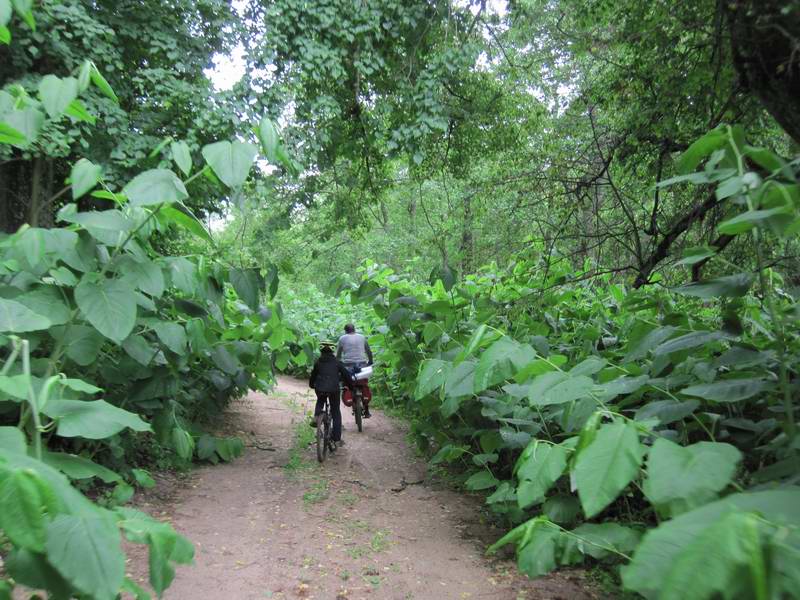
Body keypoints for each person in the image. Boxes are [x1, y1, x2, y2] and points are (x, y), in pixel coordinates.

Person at [309, 341, 353, 446]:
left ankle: (316, 416)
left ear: (321, 351)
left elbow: (313, 376)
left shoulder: (318, 362)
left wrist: (311, 385)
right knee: (336, 412)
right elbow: (347, 375)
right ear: (332, 351)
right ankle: (337, 439)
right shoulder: (337, 362)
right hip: (334, 389)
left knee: (320, 399)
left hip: (320, 388)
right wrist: (350, 386)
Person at [336, 324, 373, 418]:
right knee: (364, 384)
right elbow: (368, 351)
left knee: (346, 383)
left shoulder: (342, 339)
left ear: (345, 331)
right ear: (354, 330)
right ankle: (367, 410)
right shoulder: (362, 337)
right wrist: (370, 361)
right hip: (362, 364)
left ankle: (349, 397)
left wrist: (338, 362)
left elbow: (339, 354)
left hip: (348, 365)